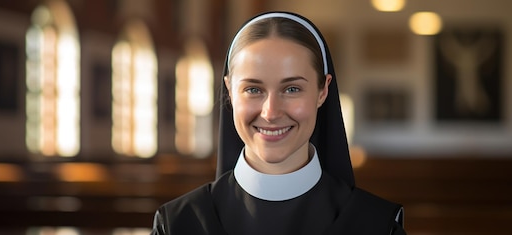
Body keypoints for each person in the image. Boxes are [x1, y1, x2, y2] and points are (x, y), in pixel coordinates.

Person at [150, 11, 406, 235]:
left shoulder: (377, 225)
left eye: (292, 89)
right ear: (229, 90)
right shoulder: (177, 224)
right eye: (253, 89)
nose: (271, 112)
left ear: (322, 91)